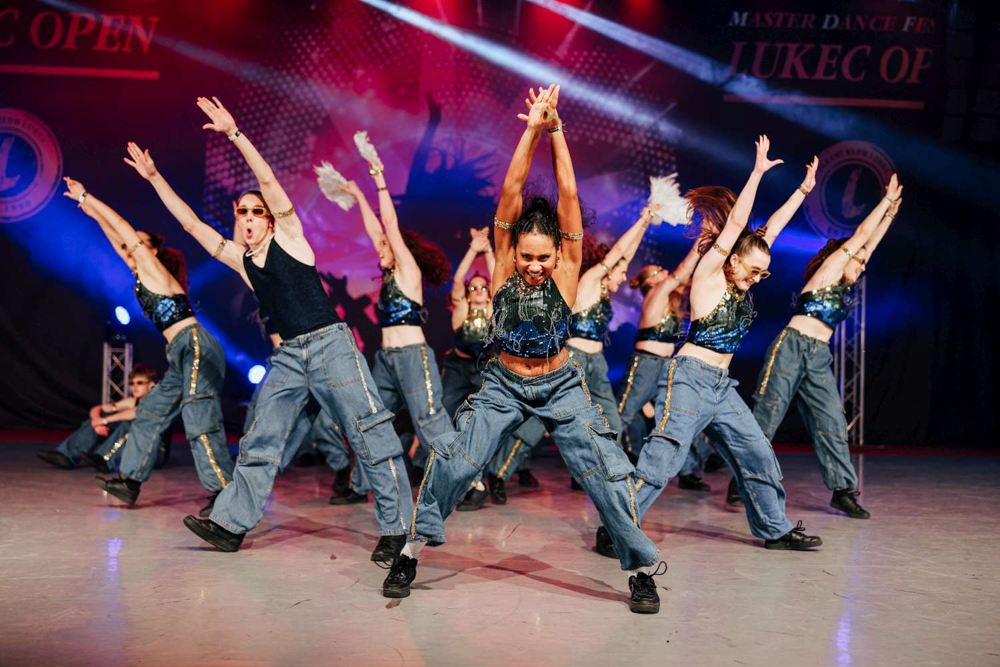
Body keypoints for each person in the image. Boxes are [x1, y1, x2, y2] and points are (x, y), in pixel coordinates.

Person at [382, 85, 666, 615]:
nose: (534, 265)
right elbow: (512, 189)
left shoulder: (567, 266)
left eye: (543, 257)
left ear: (559, 252)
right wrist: (531, 129)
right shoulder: (505, 262)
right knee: (457, 463)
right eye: (527, 256)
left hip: (561, 384)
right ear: (513, 251)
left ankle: (641, 570)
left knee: (605, 469)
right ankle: (409, 552)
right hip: (503, 383)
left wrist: (557, 132)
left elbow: (568, 195)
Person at [122, 96, 412, 563]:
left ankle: (397, 531)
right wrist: (155, 178)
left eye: (256, 212)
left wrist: (235, 134)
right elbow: (191, 224)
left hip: (331, 345)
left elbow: (268, 181)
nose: (249, 218)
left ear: (271, 218)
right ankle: (230, 524)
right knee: (260, 438)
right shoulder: (242, 261)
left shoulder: (292, 238)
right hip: (291, 356)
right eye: (242, 213)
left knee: (369, 432)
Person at [600, 139, 824, 554]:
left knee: (757, 452)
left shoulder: (745, 270)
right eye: (753, 271)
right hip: (689, 379)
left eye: (764, 274)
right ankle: (616, 527)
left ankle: (775, 529)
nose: (757, 278)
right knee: (663, 460)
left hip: (722, 386)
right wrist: (757, 174)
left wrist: (802, 191)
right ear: (733, 259)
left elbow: (768, 232)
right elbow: (737, 224)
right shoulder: (711, 274)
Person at [62, 177, 233, 515]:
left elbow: (123, 229)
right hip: (180, 353)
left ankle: (224, 495)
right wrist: (88, 209)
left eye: (135, 245)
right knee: (148, 413)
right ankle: (129, 481)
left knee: (198, 419)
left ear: (150, 251)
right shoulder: (142, 275)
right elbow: (115, 236)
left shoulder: (155, 270)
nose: (127, 248)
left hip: (195, 345)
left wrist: (88, 196)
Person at [751, 186, 902, 519]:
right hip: (792, 346)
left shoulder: (845, 282)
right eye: (857, 261)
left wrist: (890, 216)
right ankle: (743, 479)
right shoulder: (828, 272)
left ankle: (842, 491)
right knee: (767, 416)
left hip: (818, 356)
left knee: (832, 420)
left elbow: (870, 245)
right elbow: (861, 237)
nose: (862, 267)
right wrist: (885, 201)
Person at [337, 165, 452, 483]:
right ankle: (360, 484)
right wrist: (359, 196)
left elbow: (388, 225)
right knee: (374, 421)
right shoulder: (390, 274)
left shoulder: (407, 271)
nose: (380, 248)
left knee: (429, 421)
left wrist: (379, 182)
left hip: (412, 355)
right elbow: (377, 231)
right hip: (386, 359)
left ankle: (467, 482)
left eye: (386, 245)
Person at [37, 365, 165, 473]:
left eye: (140, 383)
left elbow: (135, 413)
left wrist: (104, 421)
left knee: (129, 424)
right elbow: (98, 408)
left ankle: (105, 460)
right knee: (101, 417)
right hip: (135, 451)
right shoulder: (131, 401)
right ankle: (67, 456)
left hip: (153, 454)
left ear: (151, 385)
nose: (134, 387)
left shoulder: (158, 402)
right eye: (132, 383)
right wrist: (96, 422)